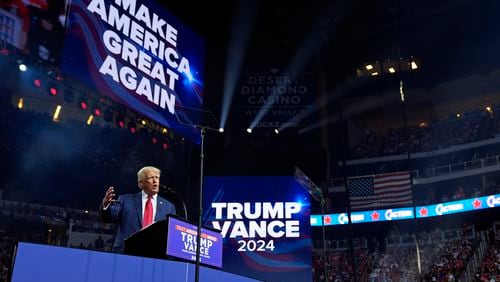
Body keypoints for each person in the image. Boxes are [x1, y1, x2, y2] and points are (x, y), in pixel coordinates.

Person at [100, 166, 176, 253]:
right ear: (141, 183)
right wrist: (106, 206)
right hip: (126, 252)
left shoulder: (169, 207)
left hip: (154, 255)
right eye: (151, 178)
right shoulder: (125, 200)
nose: (155, 181)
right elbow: (109, 217)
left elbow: (171, 235)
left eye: (157, 177)